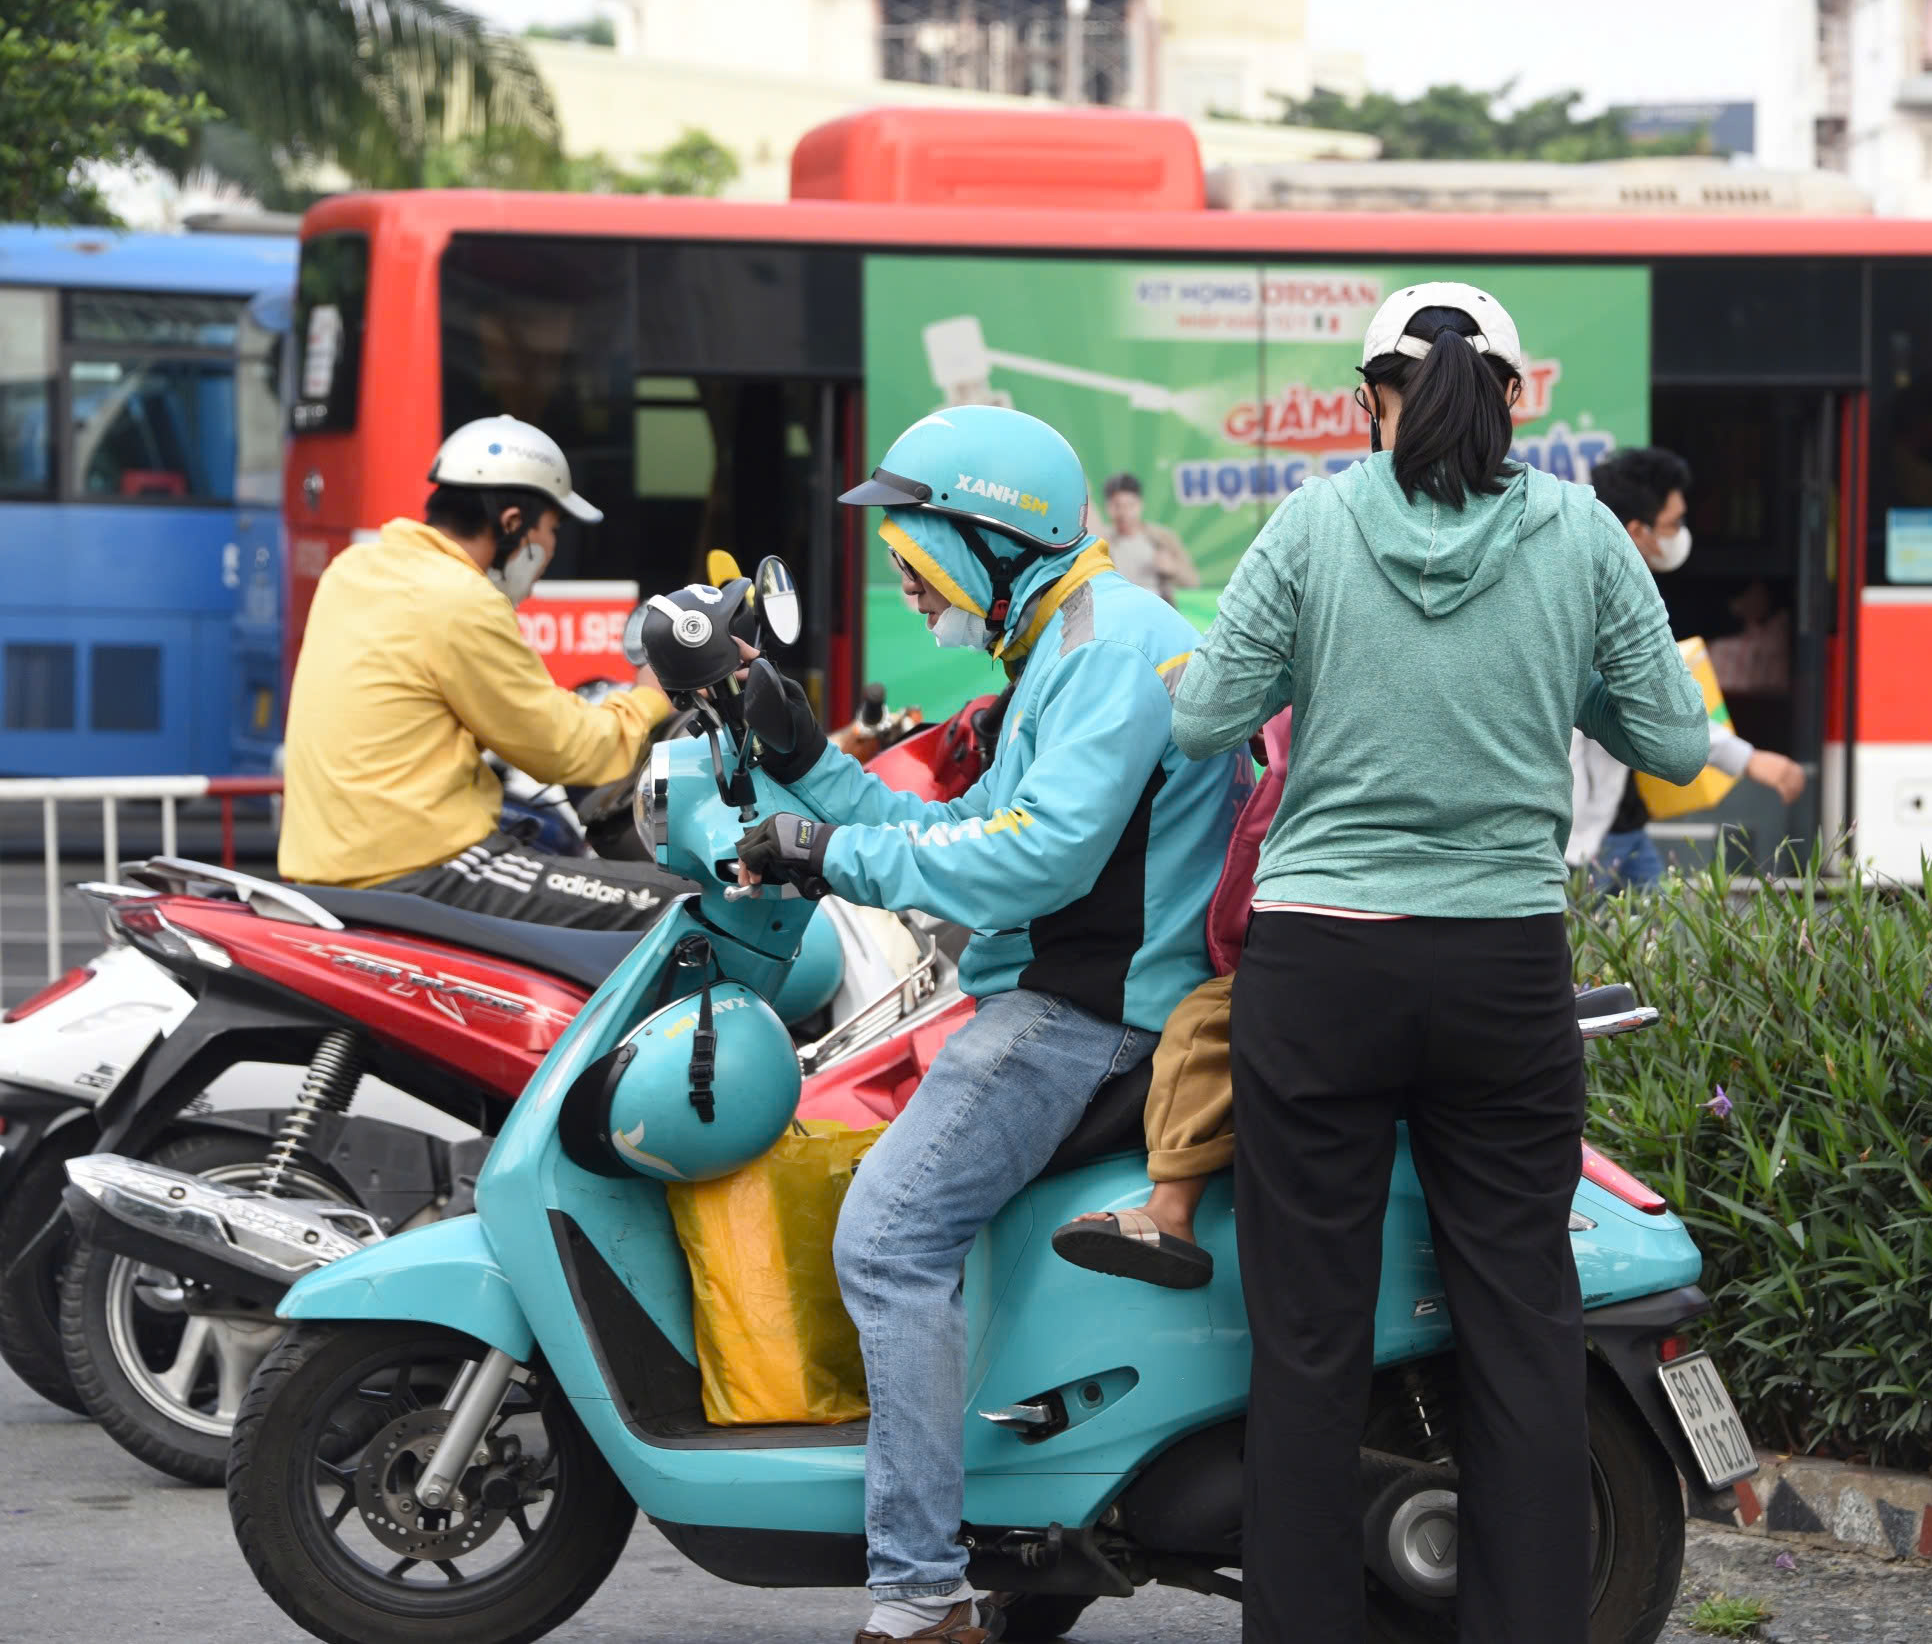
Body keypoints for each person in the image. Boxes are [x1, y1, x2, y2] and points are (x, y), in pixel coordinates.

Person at [1166, 282, 1710, 1644]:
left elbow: (1202, 716)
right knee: (1521, 1328)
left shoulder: (1310, 524)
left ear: (1371, 400)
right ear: (1516, 399)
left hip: (1319, 976)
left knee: (1306, 1344)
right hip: (1500, 971)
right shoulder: (1583, 534)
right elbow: (1676, 740)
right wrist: (1545, 674)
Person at [732, 404, 1244, 1644]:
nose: (909, 589)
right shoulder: (1070, 641)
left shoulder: (1113, 648)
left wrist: (828, 852)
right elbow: (958, 829)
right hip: (1054, 992)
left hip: (1084, 1014)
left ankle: (918, 1591)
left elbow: (1038, 858)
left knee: (887, 1239)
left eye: (917, 560)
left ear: (988, 537)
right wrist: (806, 762)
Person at [277, 415, 682, 930]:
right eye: (551, 530)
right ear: (513, 522)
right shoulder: (461, 600)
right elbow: (569, 749)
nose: (549, 553)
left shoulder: (354, 570)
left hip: (323, 867)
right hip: (415, 867)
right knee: (675, 906)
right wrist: (650, 696)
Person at [1573, 447, 1808, 894]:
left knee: (1649, 947)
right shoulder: (1599, 602)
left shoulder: (1616, 589)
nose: (1681, 535)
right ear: (1636, 531)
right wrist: (1749, 759)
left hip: (1616, 826)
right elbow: (1653, 703)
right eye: (1674, 524)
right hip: (1583, 842)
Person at [1087, 471, 1201, 601]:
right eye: (1117, 505)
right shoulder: (1101, 540)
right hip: (1118, 607)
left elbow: (1193, 582)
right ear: (1107, 507)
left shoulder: (1162, 538)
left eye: (1130, 505)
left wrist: (1173, 569)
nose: (1124, 513)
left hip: (1157, 608)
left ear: (1140, 505)